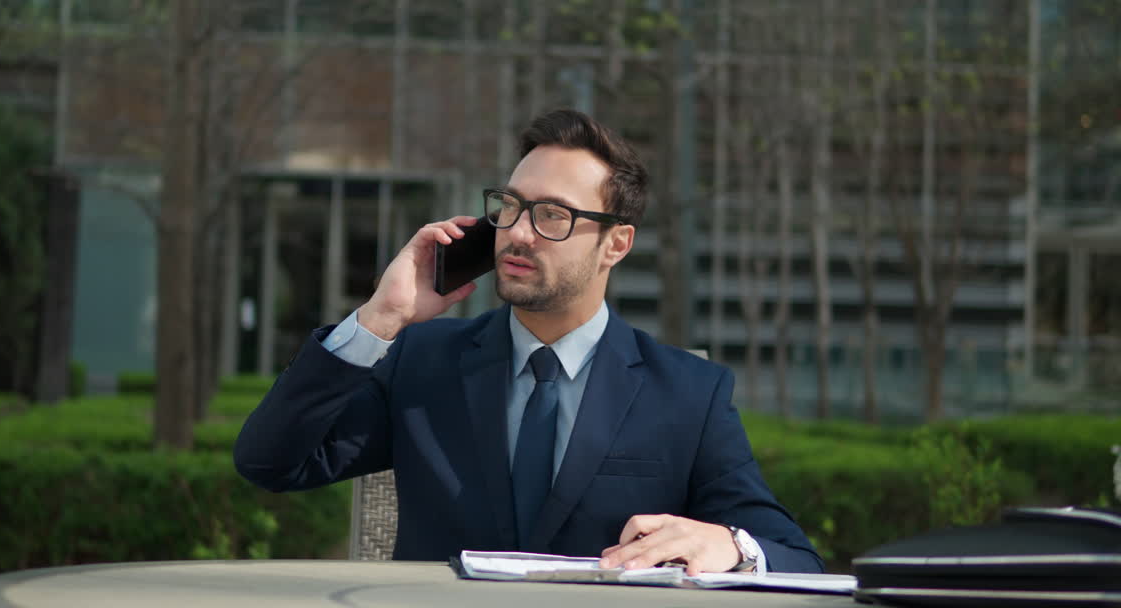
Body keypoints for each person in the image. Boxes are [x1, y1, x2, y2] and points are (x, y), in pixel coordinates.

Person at [235, 108, 823, 575]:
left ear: (616, 244)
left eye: (553, 216)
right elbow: (270, 462)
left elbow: (795, 558)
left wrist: (729, 544)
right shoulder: (422, 362)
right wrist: (379, 318)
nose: (517, 233)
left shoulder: (688, 394)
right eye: (511, 206)